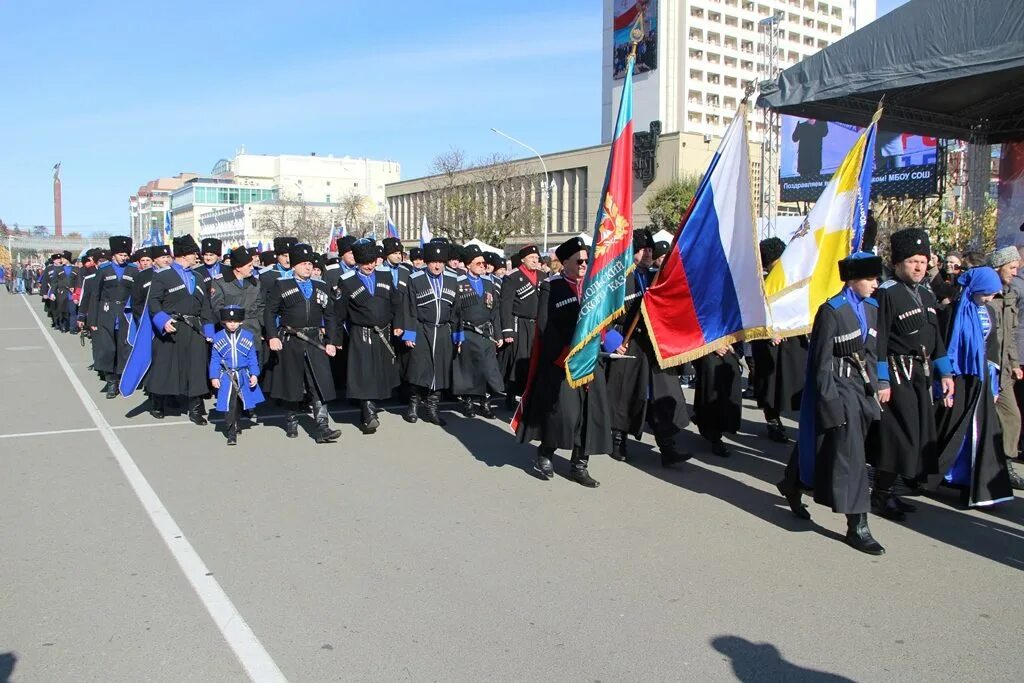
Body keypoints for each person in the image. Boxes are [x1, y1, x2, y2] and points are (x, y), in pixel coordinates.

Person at [777, 252, 886, 555]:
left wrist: (878, 386)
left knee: (827, 446)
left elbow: (874, 352)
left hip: (863, 390)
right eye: (870, 278)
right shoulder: (832, 311)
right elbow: (821, 363)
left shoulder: (873, 308)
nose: (875, 284)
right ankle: (858, 525)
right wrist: (829, 403)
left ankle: (792, 482)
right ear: (852, 280)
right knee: (852, 456)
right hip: (838, 388)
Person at [870, 228, 955, 520]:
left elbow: (937, 338)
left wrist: (946, 373)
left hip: (921, 375)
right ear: (897, 264)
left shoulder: (927, 294)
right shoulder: (886, 293)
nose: (918, 266)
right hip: (897, 375)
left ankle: (891, 491)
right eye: (912, 261)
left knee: (915, 437)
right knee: (898, 439)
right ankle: (880, 495)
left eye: (922, 260)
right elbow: (878, 340)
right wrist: (881, 379)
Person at [515, 236, 611, 487]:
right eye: (579, 260)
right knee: (564, 414)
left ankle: (580, 465)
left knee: (590, 414)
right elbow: (547, 325)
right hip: (563, 361)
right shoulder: (552, 286)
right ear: (565, 261)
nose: (583, 264)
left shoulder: (595, 286)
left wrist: (613, 340)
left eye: (587, 260)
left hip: (591, 361)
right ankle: (546, 452)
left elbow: (604, 321)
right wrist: (564, 354)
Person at [603, 229, 690, 467]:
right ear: (633, 252)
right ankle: (618, 439)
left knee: (661, 394)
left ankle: (667, 446)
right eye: (644, 250)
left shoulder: (655, 276)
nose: (649, 254)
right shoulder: (619, 279)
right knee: (623, 394)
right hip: (627, 342)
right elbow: (604, 314)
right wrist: (611, 340)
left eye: (651, 250)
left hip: (652, 344)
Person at [931, 267, 1016, 505]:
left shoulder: (989, 311)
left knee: (981, 432)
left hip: (981, 377)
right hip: (957, 377)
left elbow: (992, 346)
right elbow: (944, 346)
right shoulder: (951, 312)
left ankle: (972, 481)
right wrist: (941, 382)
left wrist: (995, 383)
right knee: (951, 426)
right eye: (986, 293)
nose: (990, 298)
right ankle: (941, 475)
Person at [264, 243, 342, 443]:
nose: (308, 267)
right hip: (291, 339)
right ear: (294, 265)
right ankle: (291, 420)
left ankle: (322, 427)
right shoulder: (281, 285)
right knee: (293, 382)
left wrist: (332, 340)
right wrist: (272, 336)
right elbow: (269, 313)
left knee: (319, 382)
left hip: (315, 339)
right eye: (303, 264)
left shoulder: (321, 285)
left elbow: (331, 315)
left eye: (310, 264)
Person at [335, 239, 403, 434]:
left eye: (372, 261)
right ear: (357, 262)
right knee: (364, 373)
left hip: (384, 333)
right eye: (365, 262)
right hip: (360, 333)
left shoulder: (385, 276)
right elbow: (338, 312)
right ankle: (369, 412)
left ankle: (369, 408)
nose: (369, 266)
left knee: (378, 373)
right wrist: (336, 338)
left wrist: (398, 324)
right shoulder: (347, 281)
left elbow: (396, 302)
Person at [147, 235, 211, 424]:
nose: (197, 258)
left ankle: (196, 409)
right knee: (165, 367)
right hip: (172, 327)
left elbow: (206, 306)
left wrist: (209, 331)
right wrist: (162, 321)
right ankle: (158, 401)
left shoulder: (198, 277)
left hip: (195, 329)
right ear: (184, 255)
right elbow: (153, 302)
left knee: (197, 368)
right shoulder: (163, 276)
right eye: (194, 254)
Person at [750, 238, 808, 443]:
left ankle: (800, 424)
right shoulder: (761, 283)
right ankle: (773, 421)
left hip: (793, 340)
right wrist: (770, 332)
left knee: (796, 383)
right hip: (769, 342)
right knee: (771, 385)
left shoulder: (795, 278)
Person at [402, 241, 461, 425]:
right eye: (433, 262)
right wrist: (410, 333)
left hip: (443, 330)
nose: (437, 266)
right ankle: (413, 405)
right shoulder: (415, 278)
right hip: (422, 329)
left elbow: (457, 310)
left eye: (441, 262)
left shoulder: (453, 278)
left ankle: (432, 409)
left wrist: (458, 336)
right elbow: (409, 308)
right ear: (427, 262)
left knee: (440, 371)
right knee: (419, 369)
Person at [986, 247, 1024, 489]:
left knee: (1012, 417)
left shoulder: (1010, 296)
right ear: (999, 267)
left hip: (1004, 373)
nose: (1015, 271)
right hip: (987, 369)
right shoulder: (987, 295)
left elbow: (1009, 336)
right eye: (1011, 267)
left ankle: (1006, 463)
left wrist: (1013, 363)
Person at [452, 245, 504, 418]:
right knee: (469, 370)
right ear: (468, 265)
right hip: (468, 332)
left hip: (486, 333)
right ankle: (468, 403)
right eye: (478, 263)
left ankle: (486, 402)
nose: (483, 266)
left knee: (489, 370)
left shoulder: (489, 283)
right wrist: (457, 336)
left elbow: (495, 310)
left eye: (484, 263)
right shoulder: (459, 284)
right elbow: (455, 313)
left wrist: (498, 334)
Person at [86, 237, 137, 399]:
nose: (124, 257)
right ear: (113, 255)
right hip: (106, 314)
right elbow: (95, 295)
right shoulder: (104, 270)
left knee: (123, 348)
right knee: (108, 349)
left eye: (126, 254)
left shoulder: (133, 270)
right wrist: (92, 320)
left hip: (125, 314)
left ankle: (121, 379)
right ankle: (111, 381)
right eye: (121, 254)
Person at [209, 305, 264, 446]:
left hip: (242, 375)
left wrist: (254, 374)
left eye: (235, 321)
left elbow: (252, 357)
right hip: (227, 376)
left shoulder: (247, 336)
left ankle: (237, 423)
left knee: (240, 403)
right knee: (230, 404)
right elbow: (215, 359)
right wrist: (214, 376)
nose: (232, 324)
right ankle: (231, 431)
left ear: (241, 322)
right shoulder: (218, 337)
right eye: (228, 321)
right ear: (223, 322)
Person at [500, 245, 543, 409]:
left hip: (537, 324)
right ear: (523, 259)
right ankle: (511, 392)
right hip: (519, 324)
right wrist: (507, 329)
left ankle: (529, 394)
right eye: (532, 258)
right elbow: (506, 305)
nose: (535, 260)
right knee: (519, 358)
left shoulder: (542, 276)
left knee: (534, 359)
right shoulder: (513, 277)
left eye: (537, 258)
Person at [693, 341, 743, 457]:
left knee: (731, 389)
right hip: (707, 350)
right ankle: (714, 436)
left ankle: (724, 425)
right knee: (711, 392)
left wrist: (732, 345)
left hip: (728, 348)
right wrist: (712, 346)